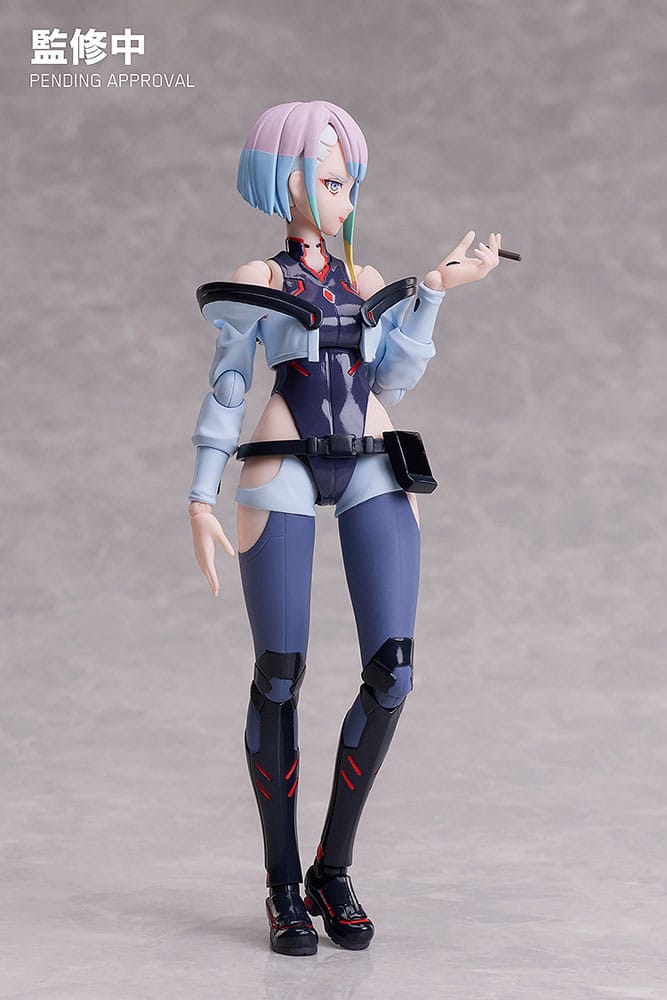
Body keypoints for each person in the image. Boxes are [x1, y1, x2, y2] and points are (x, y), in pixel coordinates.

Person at [188, 100, 501, 956]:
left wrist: (430, 293)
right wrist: (200, 496)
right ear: (284, 179)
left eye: (350, 181)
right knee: (279, 674)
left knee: (392, 672)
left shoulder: (365, 282)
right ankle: (281, 883)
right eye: (330, 180)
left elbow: (389, 381)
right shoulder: (260, 276)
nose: (345, 196)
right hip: (281, 459)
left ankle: (332, 868)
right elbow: (227, 386)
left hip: (369, 457)